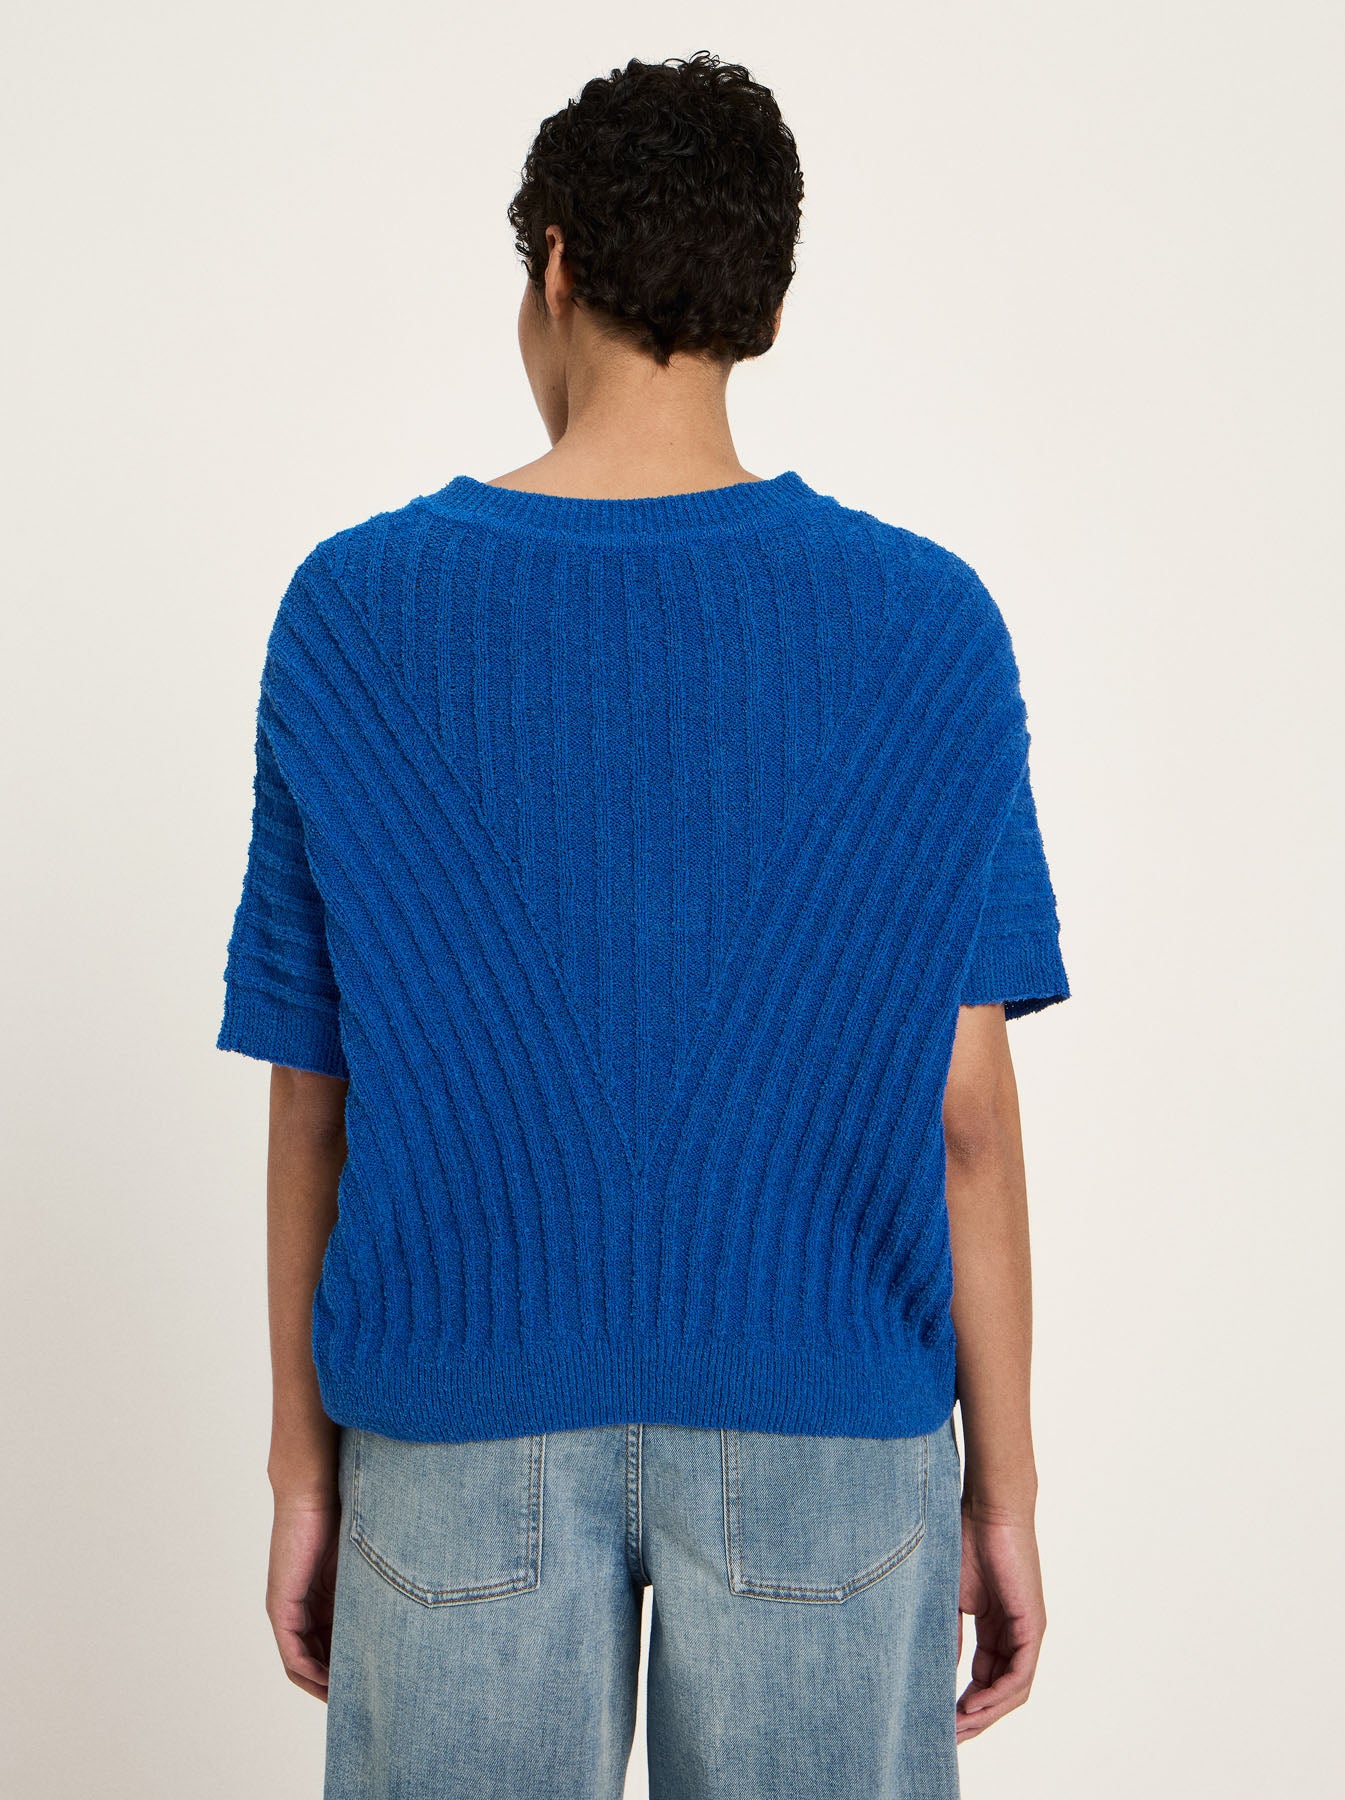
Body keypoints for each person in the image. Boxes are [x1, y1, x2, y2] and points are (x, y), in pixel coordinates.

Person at [216, 50, 1071, 1800]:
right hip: (830, 1428)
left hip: (452, 1425)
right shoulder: (927, 625)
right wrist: (1006, 1489)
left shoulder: (354, 612)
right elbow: (966, 1118)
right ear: (765, 303)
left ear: (551, 267)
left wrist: (303, 1468)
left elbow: (316, 1092)